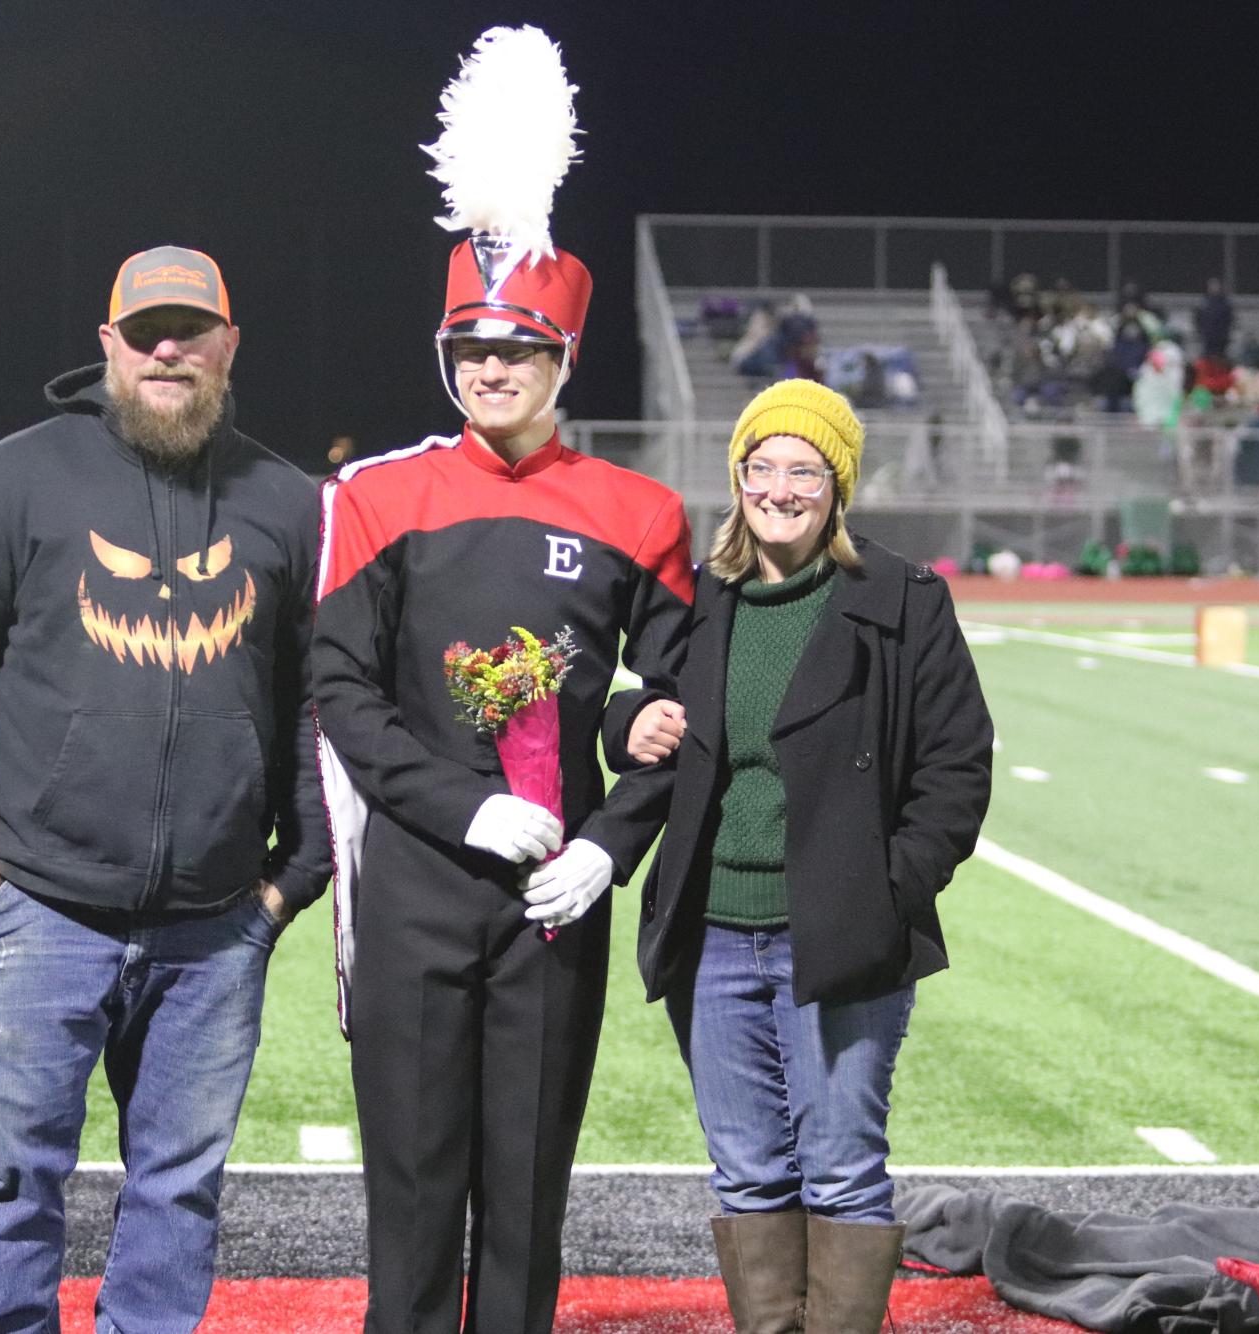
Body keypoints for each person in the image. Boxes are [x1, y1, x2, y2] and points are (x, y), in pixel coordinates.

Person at [0, 245, 330, 1334]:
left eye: (192, 330)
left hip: (215, 927)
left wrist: (295, 878)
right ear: (108, 345)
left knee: (178, 1193)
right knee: (9, 1187)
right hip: (37, 911)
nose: (169, 350)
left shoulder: (287, 502)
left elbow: (315, 702)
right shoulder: (17, 477)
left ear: (231, 345)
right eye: (146, 333)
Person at [312, 230, 695, 1334]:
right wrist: (459, 802)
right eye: (469, 346)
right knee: (416, 1195)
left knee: (529, 1198)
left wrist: (608, 845)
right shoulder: (379, 497)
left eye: (519, 349)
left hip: (552, 903)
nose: (490, 368)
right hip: (417, 889)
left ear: (565, 356)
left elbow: (683, 711)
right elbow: (341, 690)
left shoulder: (641, 512)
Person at [610, 379, 993, 1334]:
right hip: (710, 937)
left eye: (803, 470)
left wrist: (882, 890)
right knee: (745, 1171)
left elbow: (957, 769)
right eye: (760, 467)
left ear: (838, 486)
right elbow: (643, 706)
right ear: (736, 477)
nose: (778, 488)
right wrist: (628, 722)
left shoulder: (902, 600)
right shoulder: (703, 597)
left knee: (841, 1169)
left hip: (838, 936)